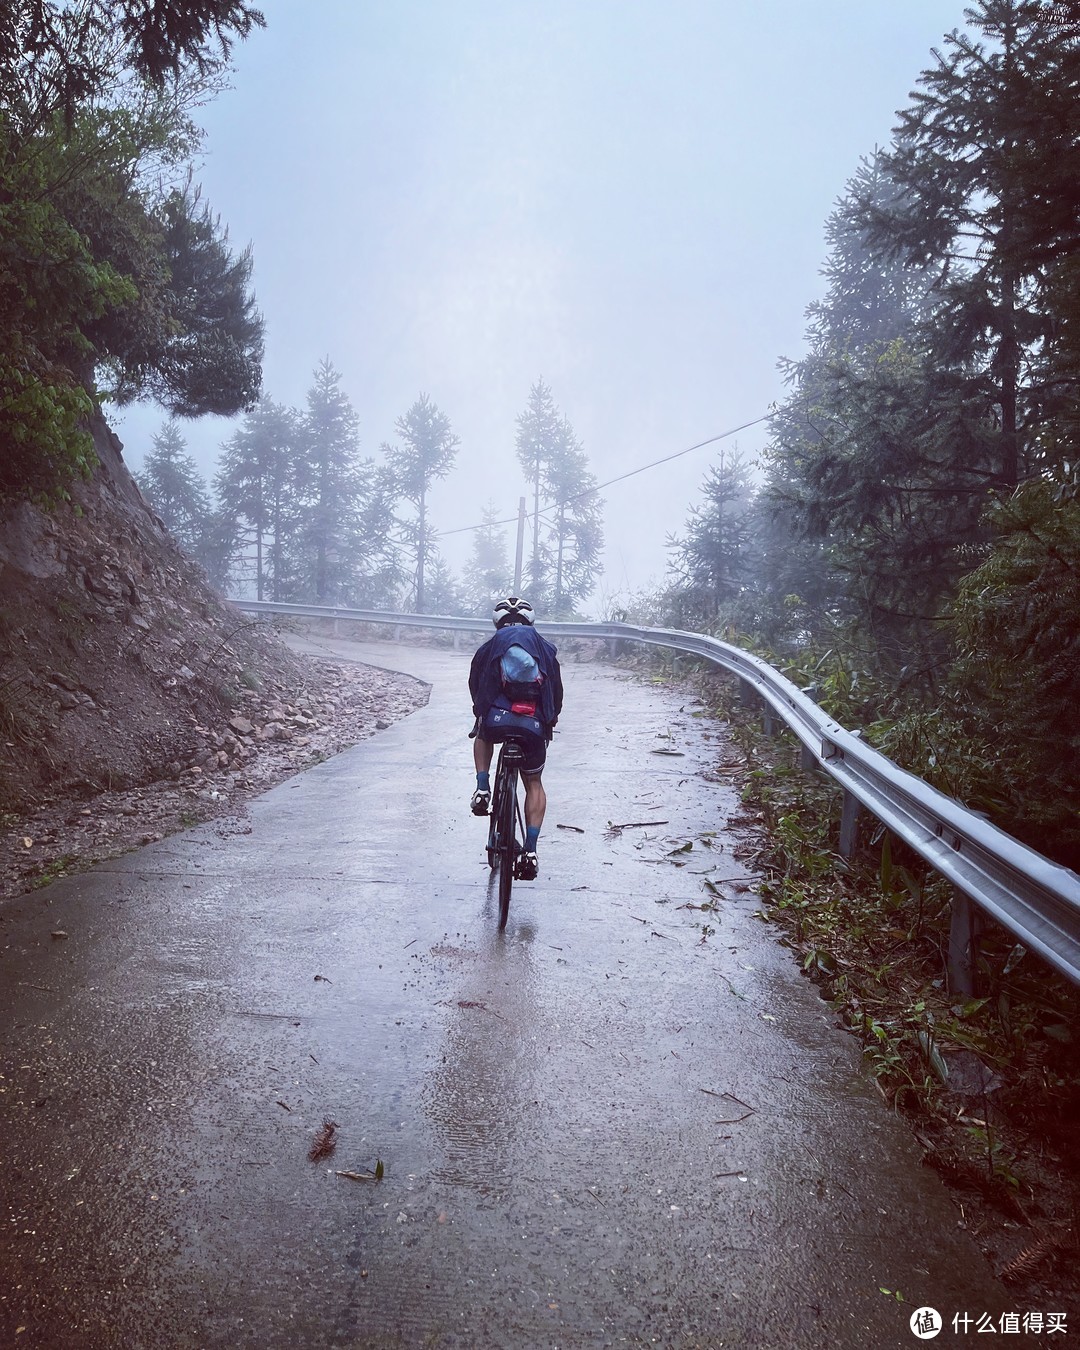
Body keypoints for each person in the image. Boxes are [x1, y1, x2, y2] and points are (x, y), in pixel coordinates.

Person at [468, 596, 563, 881]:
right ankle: (531, 851)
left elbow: (476, 686)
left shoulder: (490, 647)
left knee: (482, 727)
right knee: (533, 783)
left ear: (497, 623)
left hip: (498, 723)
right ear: (531, 622)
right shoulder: (545, 648)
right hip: (532, 727)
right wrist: (548, 722)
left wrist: (483, 710)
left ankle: (483, 787)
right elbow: (556, 695)